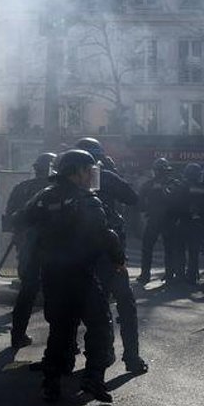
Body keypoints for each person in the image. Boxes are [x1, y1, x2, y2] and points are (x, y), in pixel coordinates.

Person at [22, 150, 121, 403]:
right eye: (89, 170)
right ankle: (93, 379)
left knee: (60, 330)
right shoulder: (85, 199)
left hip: (52, 276)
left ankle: (51, 382)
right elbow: (105, 234)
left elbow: (20, 220)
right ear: (77, 172)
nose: (91, 176)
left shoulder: (44, 197)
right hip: (81, 275)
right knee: (99, 326)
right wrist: (118, 259)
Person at [74, 138, 147, 374]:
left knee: (92, 306)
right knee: (125, 304)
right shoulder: (104, 176)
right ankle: (132, 358)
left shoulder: (66, 181)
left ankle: (99, 354)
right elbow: (134, 199)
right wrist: (111, 171)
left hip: (81, 253)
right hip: (109, 250)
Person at [5, 153, 56, 348]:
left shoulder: (21, 188)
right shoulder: (55, 190)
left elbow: (10, 219)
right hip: (52, 250)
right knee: (55, 293)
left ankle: (18, 334)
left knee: (27, 292)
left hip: (27, 249)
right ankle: (60, 339)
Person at [137, 158, 179, 284]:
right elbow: (179, 201)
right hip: (169, 220)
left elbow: (140, 204)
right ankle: (170, 275)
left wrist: (147, 210)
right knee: (169, 248)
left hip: (154, 220)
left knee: (147, 248)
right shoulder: (174, 184)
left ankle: (145, 275)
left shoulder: (148, 184)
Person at [171, 163, 204, 285]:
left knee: (180, 251)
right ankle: (192, 276)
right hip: (198, 224)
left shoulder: (181, 186)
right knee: (194, 253)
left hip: (183, 222)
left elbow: (175, 205)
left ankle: (180, 275)